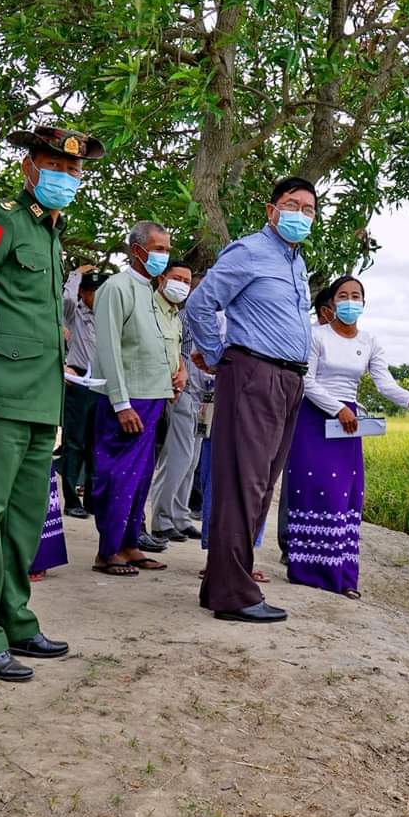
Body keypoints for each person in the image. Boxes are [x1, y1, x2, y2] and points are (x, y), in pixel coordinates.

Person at [0, 125, 103, 682]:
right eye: (53, 167)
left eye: (72, 171)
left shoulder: (52, 236)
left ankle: (13, 617)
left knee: (23, 518)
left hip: (41, 397)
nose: (64, 178)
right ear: (28, 168)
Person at [185, 177, 317, 623]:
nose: (301, 214)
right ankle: (234, 595)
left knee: (260, 485)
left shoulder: (297, 263)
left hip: (286, 380)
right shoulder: (249, 251)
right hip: (253, 373)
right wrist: (220, 355)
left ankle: (221, 584)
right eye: (292, 204)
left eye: (309, 209)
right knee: (243, 483)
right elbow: (201, 304)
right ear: (271, 210)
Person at [285, 277, 409, 597]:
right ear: (331, 303)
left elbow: (384, 383)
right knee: (319, 491)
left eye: (355, 295)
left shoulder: (370, 341)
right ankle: (308, 570)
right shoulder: (316, 336)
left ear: (364, 304)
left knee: (345, 496)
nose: (349, 300)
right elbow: (307, 381)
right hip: (315, 418)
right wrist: (337, 409)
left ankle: (343, 576)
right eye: (343, 295)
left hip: (348, 425)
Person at [90, 220, 184, 576]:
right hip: (126, 401)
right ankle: (108, 550)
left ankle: (130, 544)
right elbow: (109, 349)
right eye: (157, 249)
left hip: (153, 397)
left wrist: (175, 374)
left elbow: (160, 342)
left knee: (141, 477)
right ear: (137, 250)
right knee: (118, 477)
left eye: (166, 249)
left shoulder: (153, 292)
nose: (163, 255)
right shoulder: (117, 288)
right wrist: (122, 403)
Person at [275, 284, 336, 566]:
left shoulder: (355, 340)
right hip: (307, 412)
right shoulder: (310, 336)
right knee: (298, 478)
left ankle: (320, 542)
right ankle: (291, 543)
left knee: (328, 480)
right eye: (342, 300)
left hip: (339, 419)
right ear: (325, 311)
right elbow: (306, 380)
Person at [148, 257, 199, 546]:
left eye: (187, 282)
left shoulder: (176, 313)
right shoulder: (158, 310)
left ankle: (179, 514)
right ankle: (162, 519)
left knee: (190, 458)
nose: (182, 285)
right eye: (177, 278)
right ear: (162, 278)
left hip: (192, 389)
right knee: (176, 456)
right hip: (169, 390)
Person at [59, 266, 105, 517]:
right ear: (84, 293)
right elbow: (66, 298)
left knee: (95, 444)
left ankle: (92, 498)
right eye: (94, 290)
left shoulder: (108, 316)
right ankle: (71, 499)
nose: (98, 295)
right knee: (73, 443)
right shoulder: (73, 313)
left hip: (101, 383)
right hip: (77, 380)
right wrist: (76, 275)